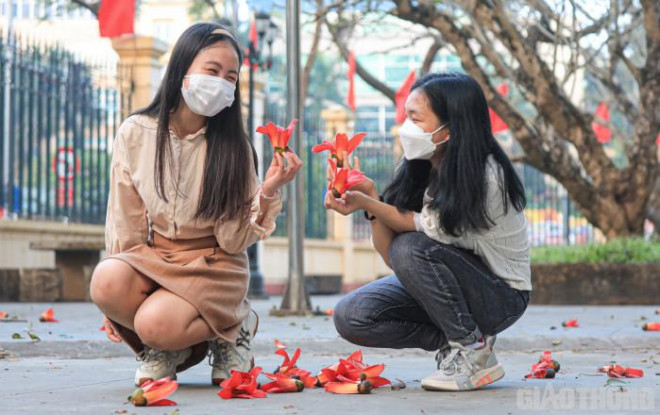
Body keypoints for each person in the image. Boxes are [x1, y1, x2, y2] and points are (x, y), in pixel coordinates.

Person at [89, 23, 302, 387]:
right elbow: (125, 220)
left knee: (154, 325)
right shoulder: (136, 132)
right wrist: (115, 307)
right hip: (155, 258)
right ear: (183, 69)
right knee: (105, 281)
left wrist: (267, 190)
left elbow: (234, 241)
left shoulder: (235, 148)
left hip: (213, 265)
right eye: (213, 71)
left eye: (231, 76)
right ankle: (165, 348)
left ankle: (232, 328)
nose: (221, 82)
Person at [326, 72, 531, 391]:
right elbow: (391, 255)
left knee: (410, 247)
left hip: (500, 296)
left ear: (449, 128)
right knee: (351, 315)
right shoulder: (419, 164)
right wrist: (371, 201)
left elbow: (415, 235)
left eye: (415, 118)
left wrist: (372, 202)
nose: (406, 127)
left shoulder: (486, 176)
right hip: (448, 282)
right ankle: (459, 341)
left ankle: (473, 351)